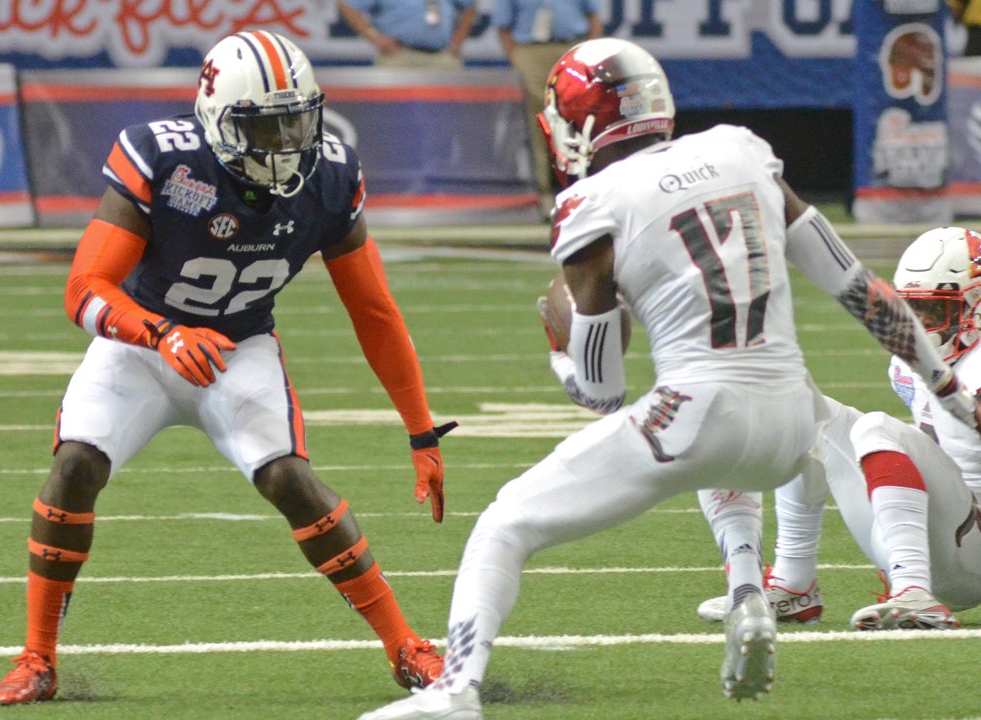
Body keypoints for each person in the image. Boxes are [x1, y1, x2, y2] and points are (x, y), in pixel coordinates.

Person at [356, 38, 981, 720]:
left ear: (584, 124)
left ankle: (457, 690)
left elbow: (600, 393)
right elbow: (862, 292)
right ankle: (753, 591)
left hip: (699, 412)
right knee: (778, 433)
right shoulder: (742, 149)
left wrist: (559, 349)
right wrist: (946, 387)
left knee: (505, 524)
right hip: (792, 414)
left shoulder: (590, 204)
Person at [0, 30, 457, 705]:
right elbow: (84, 289)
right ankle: (37, 657)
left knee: (292, 479)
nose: (287, 142)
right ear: (217, 120)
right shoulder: (162, 159)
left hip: (239, 349)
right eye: (265, 127)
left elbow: (374, 310)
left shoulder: (328, 175)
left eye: (297, 120)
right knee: (74, 465)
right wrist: (161, 332)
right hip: (141, 347)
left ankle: (405, 647)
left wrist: (420, 430)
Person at [697, 226, 981, 631]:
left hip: (973, 553)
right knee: (800, 413)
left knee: (876, 428)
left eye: (934, 312)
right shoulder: (907, 364)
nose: (918, 325)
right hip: (946, 537)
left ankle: (913, 592)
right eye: (911, 310)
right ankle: (794, 588)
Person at [492, 0, 603, 217]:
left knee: (578, 121)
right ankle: (543, 196)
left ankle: (580, 192)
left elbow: (593, 17)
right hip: (531, 52)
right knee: (538, 124)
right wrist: (517, 57)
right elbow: (503, 26)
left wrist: (589, 52)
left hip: (570, 48)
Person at [337, 0, 478, 70]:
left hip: (442, 57)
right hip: (400, 56)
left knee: (452, 113)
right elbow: (347, 4)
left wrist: (457, 42)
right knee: (392, 113)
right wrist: (374, 37)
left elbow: (470, 7)